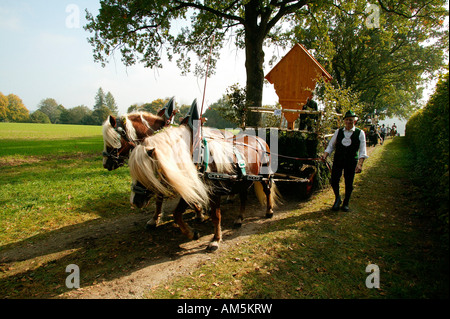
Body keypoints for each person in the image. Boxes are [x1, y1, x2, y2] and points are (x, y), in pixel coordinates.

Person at [321, 110, 369, 212]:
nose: (348, 122)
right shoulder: (338, 132)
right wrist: (325, 154)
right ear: (344, 121)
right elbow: (331, 145)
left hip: (351, 161)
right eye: (346, 120)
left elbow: (363, 150)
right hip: (338, 159)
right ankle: (337, 198)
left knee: (349, 182)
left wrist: (360, 164)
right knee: (334, 180)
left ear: (354, 121)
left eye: (350, 120)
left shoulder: (360, 133)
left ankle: (346, 202)